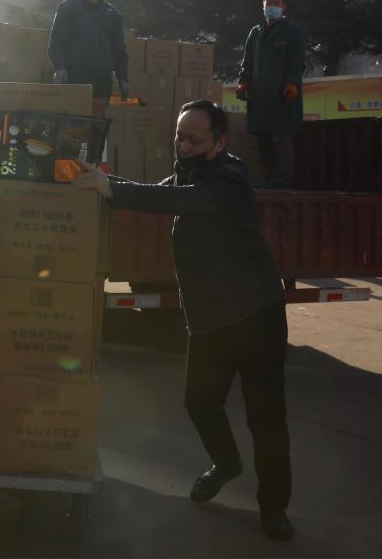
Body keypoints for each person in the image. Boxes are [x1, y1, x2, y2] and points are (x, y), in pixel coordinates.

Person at [74, 100, 293, 541]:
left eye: (194, 139)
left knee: (266, 418)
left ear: (219, 142)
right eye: (179, 136)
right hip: (212, 319)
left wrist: (111, 188)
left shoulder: (229, 179)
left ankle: (273, 508)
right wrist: (98, 181)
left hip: (256, 317)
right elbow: (156, 192)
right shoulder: (189, 173)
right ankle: (227, 463)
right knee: (199, 402)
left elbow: (180, 201)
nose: (184, 145)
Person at [235, 0, 305, 188]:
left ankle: (281, 182)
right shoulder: (255, 32)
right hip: (259, 97)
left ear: (284, 6)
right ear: (263, 5)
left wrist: (292, 84)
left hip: (282, 96)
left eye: (276, 3)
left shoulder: (292, 31)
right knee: (262, 139)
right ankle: (267, 180)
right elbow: (247, 63)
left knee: (280, 139)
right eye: (269, 3)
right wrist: (244, 82)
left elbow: (297, 62)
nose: (272, 6)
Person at [48, 0, 130, 110]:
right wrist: (59, 67)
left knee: (97, 119)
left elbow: (119, 49)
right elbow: (56, 41)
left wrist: (123, 78)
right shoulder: (68, 8)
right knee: (73, 120)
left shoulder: (113, 14)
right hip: (74, 76)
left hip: (101, 79)